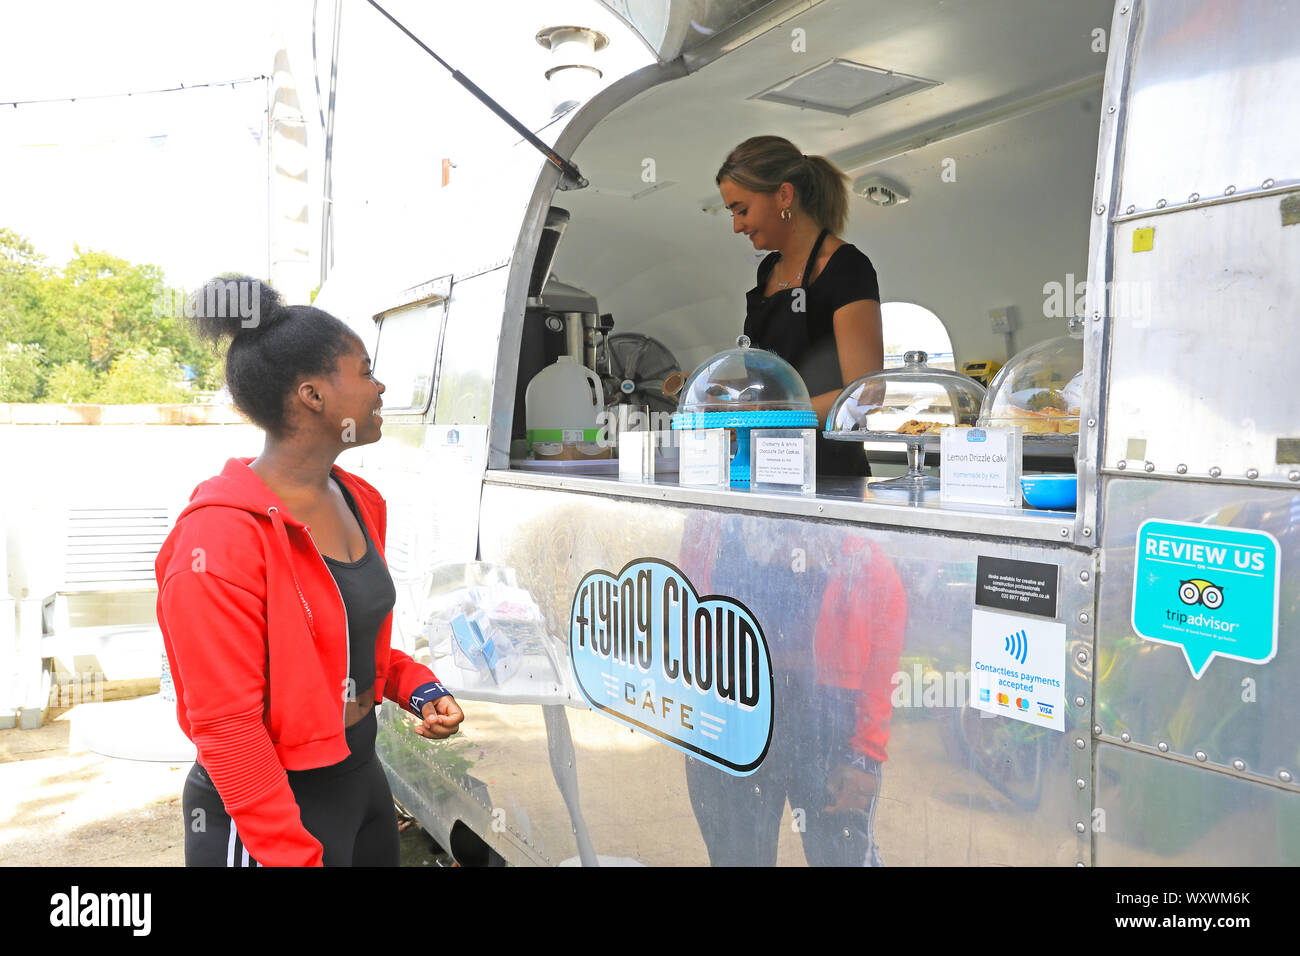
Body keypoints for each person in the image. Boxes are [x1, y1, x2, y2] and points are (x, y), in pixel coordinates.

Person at [155, 276, 464, 867]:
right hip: (269, 809)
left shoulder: (359, 500)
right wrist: (290, 854)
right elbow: (228, 729)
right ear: (313, 395)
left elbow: (341, 644)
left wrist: (414, 685)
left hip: (359, 779)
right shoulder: (218, 539)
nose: (380, 387)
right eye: (365, 370)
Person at [717, 135, 885, 477]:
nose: (737, 226)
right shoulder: (768, 270)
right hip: (768, 463)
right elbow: (775, 376)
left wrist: (770, 417)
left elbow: (866, 392)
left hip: (830, 472)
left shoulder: (846, 267)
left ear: (784, 195)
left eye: (742, 210)